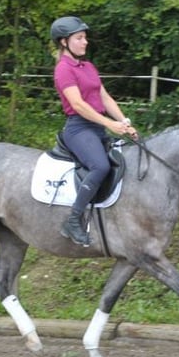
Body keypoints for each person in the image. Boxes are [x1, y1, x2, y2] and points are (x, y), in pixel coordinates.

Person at [51, 15, 138, 247]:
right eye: (79, 38)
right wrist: (111, 125)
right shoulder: (63, 69)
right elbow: (78, 105)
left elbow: (104, 97)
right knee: (100, 165)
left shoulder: (87, 66)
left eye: (85, 38)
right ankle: (73, 220)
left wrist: (124, 122)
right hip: (78, 129)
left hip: (97, 127)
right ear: (64, 42)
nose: (85, 42)